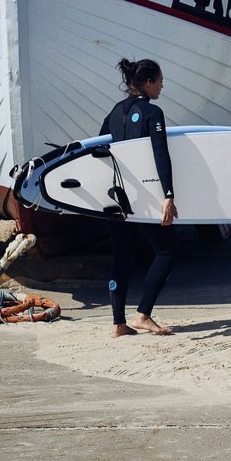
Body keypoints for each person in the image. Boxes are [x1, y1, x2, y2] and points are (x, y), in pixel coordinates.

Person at [100, 58, 177, 338]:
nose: (162, 86)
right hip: (143, 198)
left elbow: (100, 148)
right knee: (167, 251)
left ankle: (118, 323)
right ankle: (143, 314)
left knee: (121, 256)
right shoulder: (152, 113)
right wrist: (168, 194)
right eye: (159, 81)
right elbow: (161, 154)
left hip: (117, 196)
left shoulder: (114, 112)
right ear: (148, 83)